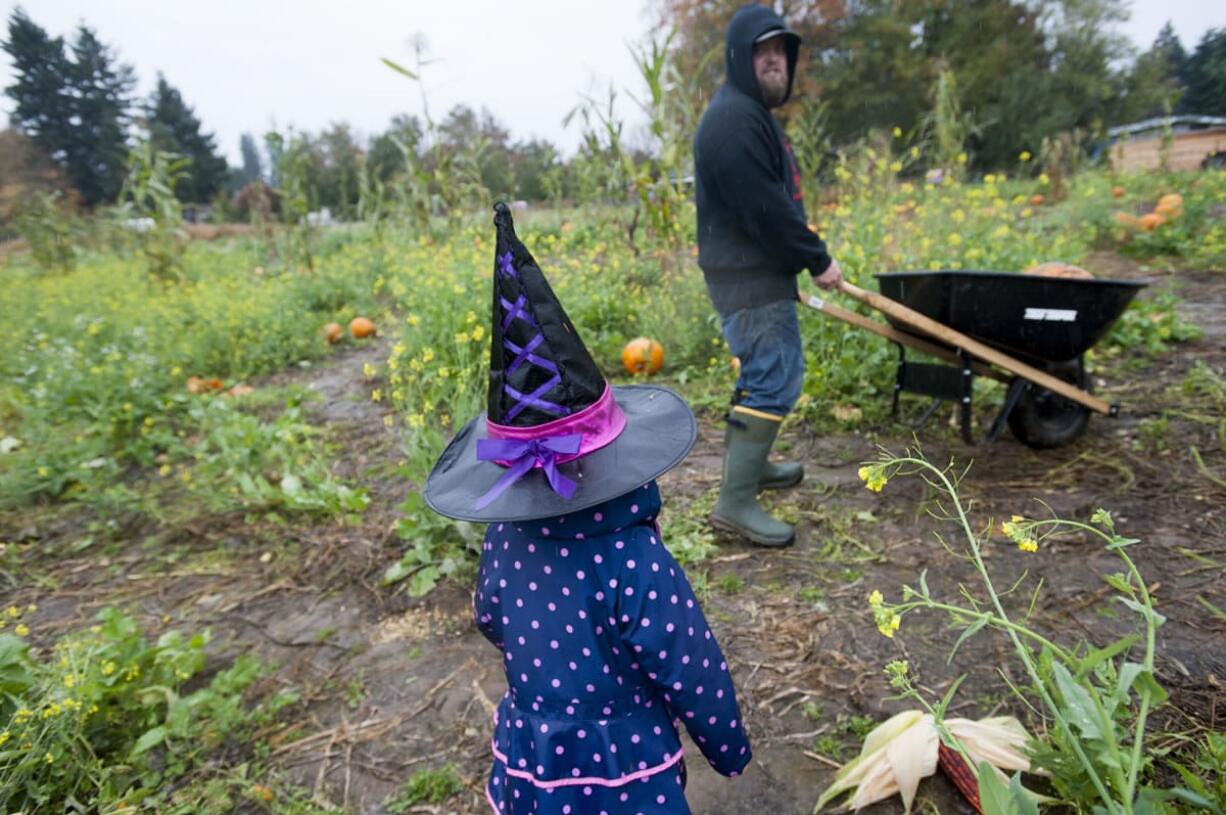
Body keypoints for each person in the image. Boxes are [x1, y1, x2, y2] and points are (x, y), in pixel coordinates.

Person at [425, 203, 752, 814]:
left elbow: (491, 617)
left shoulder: (506, 539)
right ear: (619, 459)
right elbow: (687, 659)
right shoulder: (632, 553)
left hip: (534, 756)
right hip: (628, 766)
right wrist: (727, 747)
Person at [694, 4, 844, 549]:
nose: (775, 59)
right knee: (775, 377)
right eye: (762, 50)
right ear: (739, 57)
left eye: (782, 50)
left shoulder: (748, 114)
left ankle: (750, 473)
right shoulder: (734, 120)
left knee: (764, 372)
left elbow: (771, 203)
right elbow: (765, 209)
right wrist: (816, 257)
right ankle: (733, 504)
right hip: (747, 277)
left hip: (755, 272)